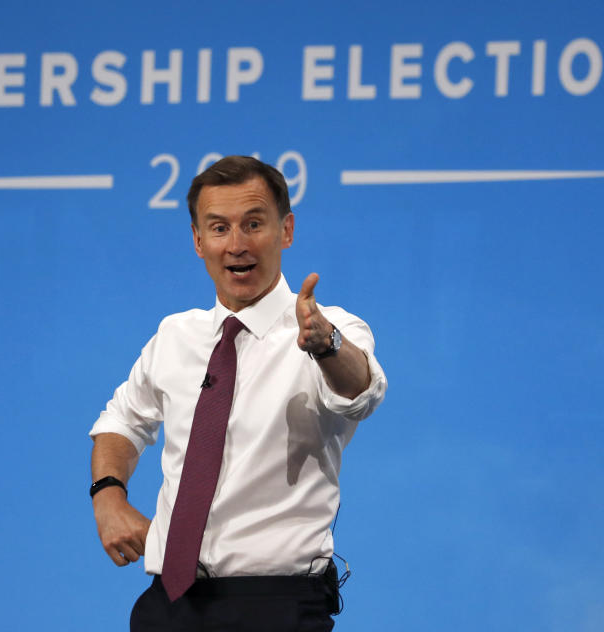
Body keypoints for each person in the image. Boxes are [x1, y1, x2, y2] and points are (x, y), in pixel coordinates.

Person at [89, 155, 387, 631]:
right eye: (220, 228)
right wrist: (108, 496)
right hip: (168, 603)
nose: (237, 245)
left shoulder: (331, 328)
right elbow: (121, 421)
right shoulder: (174, 335)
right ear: (198, 240)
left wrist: (325, 344)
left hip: (276, 604)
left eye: (254, 224)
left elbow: (360, 391)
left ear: (286, 230)